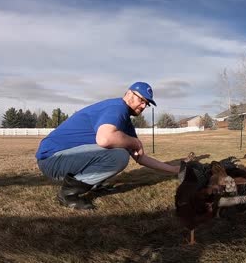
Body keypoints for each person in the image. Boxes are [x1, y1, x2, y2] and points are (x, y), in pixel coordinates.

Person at [36, 82, 180, 210]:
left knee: (118, 147)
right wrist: (135, 142)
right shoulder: (117, 108)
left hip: (62, 158)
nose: (143, 106)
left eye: (146, 103)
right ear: (129, 93)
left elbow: (140, 157)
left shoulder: (125, 122)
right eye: (141, 100)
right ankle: (67, 194)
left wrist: (174, 169)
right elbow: (105, 139)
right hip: (52, 159)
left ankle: (95, 184)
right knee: (119, 155)